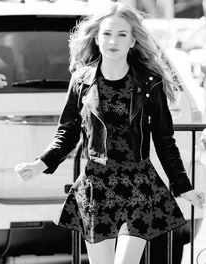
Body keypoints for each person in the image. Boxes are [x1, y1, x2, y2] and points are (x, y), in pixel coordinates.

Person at [15, 2, 205, 264]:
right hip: (97, 186)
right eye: (107, 34)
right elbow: (68, 132)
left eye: (121, 34)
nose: (113, 41)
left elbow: (164, 139)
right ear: (96, 37)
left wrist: (183, 187)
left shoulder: (148, 83)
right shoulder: (82, 81)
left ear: (133, 41)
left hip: (138, 184)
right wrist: (40, 164)